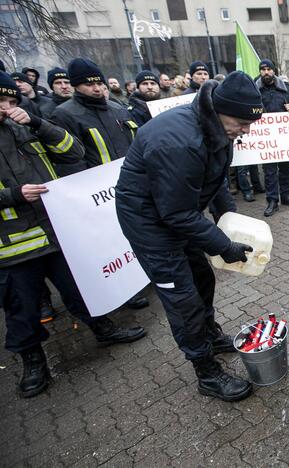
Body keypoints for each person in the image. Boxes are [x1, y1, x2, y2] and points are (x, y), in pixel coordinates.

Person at [115, 71, 263, 402]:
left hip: (178, 212)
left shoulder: (218, 130)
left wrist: (231, 223)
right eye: (241, 122)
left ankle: (209, 333)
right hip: (150, 224)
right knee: (183, 300)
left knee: (201, 279)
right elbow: (175, 214)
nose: (246, 130)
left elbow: (217, 183)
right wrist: (224, 246)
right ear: (220, 109)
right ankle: (206, 371)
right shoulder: (178, 140)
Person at [0, 72, 146, 398]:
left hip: (56, 231)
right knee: (21, 308)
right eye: (1, 102)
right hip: (14, 246)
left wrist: (38, 123)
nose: (7, 108)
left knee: (81, 287)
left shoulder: (27, 127)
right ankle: (33, 361)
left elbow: (73, 152)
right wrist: (13, 195)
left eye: (11, 101)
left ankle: (103, 328)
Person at [51, 58, 149, 309]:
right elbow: (68, 160)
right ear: (75, 86)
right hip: (97, 195)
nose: (95, 89)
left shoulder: (117, 109)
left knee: (138, 234)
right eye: (87, 84)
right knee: (113, 242)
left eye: (98, 83)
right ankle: (126, 290)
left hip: (129, 184)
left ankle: (144, 276)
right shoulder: (64, 114)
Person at [257, 59, 289, 216]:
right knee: (269, 171)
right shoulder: (255, 90)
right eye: (263, 69)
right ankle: (272, 200)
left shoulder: (286, 89)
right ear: (260, 72)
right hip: (266, 139)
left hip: (284, 138)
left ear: (274, 71)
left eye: (269, 69)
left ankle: (285, 195)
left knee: (285, 168)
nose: (266, 72)